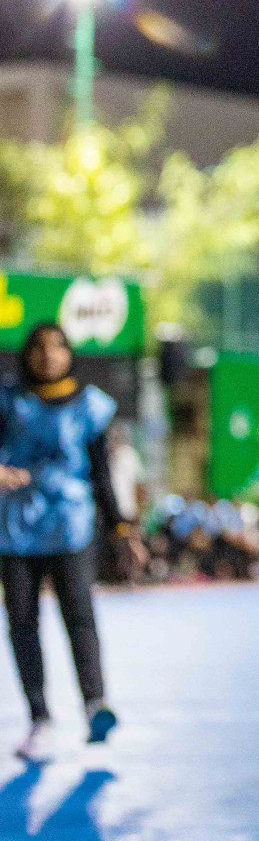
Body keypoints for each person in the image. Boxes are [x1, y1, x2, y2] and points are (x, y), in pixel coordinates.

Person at [0, 323, 122, 759]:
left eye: (57, 346)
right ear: (26, 354)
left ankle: (95, 705)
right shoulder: (8, 401)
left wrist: (121, 528)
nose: (48, 355)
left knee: (80, 616)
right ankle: (39, 718)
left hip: (70, 527)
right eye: (38, 347)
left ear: (70, 354)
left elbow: (102, 475)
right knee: (22, 623)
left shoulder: (91, 406)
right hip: (16, 529)